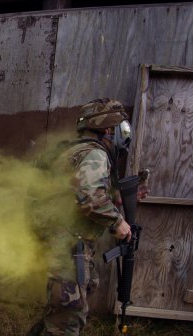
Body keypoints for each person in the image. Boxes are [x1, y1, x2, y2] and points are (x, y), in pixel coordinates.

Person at [29, 98, 148, 335]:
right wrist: (118, 223)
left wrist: (115, 198)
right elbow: (91, 199)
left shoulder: (76, 151)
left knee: (65, 310)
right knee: (67, 319)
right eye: (118, 129)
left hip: (64, 242)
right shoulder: (95, 154)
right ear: (107, 130)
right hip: (69, 245)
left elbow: (75, 192)